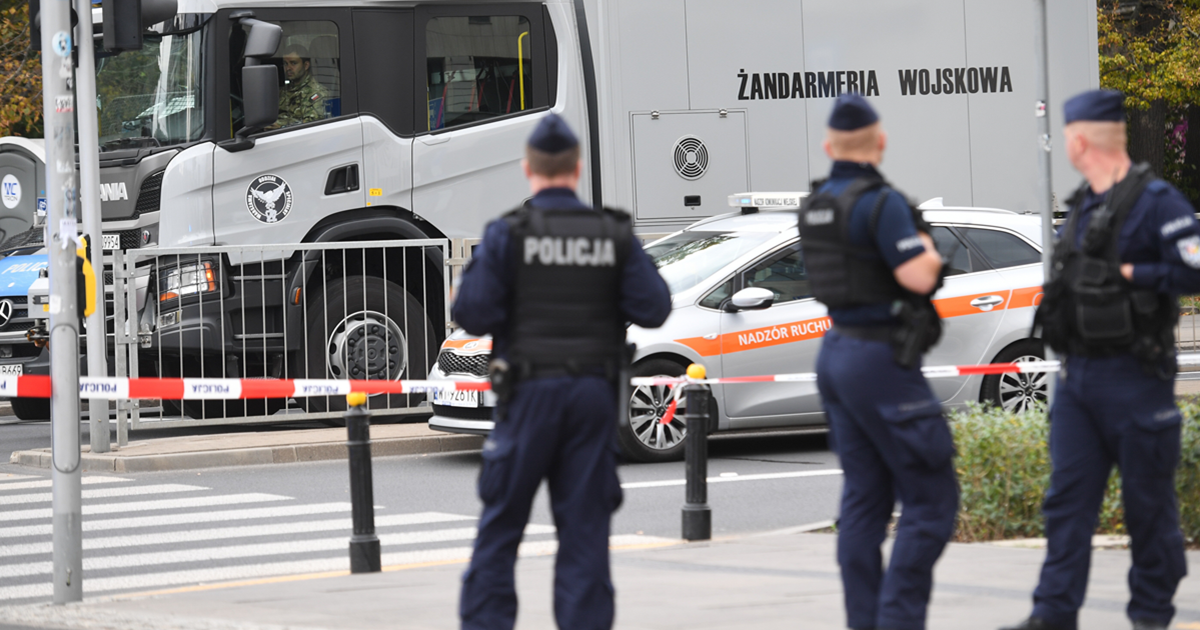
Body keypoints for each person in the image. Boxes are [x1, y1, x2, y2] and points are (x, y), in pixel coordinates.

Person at [453, 112, 672, 630]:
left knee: (502, 525)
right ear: (576, 169)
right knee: (585, 532)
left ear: (530, 168)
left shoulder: (508, 235)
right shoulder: (612, 233)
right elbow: (655, 307)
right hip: (593, 397)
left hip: (528, 394)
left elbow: (472, 315)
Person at [1001, 90, 1197, 630]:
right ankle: (1052, 615)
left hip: (1136, 377)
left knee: (1148, 510)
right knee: (1066, 504)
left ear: (1081, 138)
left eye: (1066, 136)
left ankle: (1151, 616)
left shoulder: (1159, 202)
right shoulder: (1086, 202)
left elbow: (1195, 269)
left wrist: (1139, 275)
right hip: (1079, 380)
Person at [799, 93, 955, 630]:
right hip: (879, 358)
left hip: (837, 350)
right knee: (932, 499)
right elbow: (918, 275)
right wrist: (928, 249)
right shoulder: (881, 202)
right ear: (881, 142)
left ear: (828, 145)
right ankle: (898, 619)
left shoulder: (816, 204)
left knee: (864, 500)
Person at [275, 44, 327, 128]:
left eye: (293, 63)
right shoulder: (282, 91)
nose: (288, 68)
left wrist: (281, 126)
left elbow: (312, 125)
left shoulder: (317, 93)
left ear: (306, 65)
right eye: (285, 63)